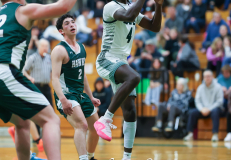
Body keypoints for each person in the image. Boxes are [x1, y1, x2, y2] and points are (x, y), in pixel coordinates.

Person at [0, 0, 77, 160]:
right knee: (51, 120)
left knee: (22, 122)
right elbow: (63, 7)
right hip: (4, 72)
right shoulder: (21, 10)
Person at [94, 0, 163, 159]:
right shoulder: (111, 6)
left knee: (130, 110)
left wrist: (158, 5)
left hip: (121, 62)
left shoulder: (131, 7)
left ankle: (127, 157)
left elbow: (155, 27)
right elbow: (128, 15)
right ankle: (105, 119)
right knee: (134, 77)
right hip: (107, 59)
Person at [51, 14, 101, 160]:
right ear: (61, 31)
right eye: (67, 23)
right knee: (82, 125)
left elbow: (83, 75)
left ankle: (90, 157)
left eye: (73, 22)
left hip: (80, 94)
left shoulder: (82, 47)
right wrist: (63, 99)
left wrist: (91, 97)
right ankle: (83, 158)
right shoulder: (59, 50)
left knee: (96, 128)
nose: (72, 25)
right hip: (66, 95)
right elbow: (54, 78)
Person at [8, 39, 53, 153]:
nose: (45, 48)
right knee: (33, 113)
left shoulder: (49, 58)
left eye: (46, 46)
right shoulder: (32, 58)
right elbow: (24, 71)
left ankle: (39, 138)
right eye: (43, 46)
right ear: (39, 47)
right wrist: (29, 79)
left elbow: (52, 72)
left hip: (46, 86)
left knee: (49, 112)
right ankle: (37, 139)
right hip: (34, 86)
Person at [184, 70, 224, 142]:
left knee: (215, 112)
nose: (207, 78)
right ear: (203, 78)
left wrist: (209, 109)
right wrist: (202, 109)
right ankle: (190, 133)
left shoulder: (218, 87)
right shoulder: (200, 87)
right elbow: (197, 101)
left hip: (213, 109)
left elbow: (220, 101)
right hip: (203, 110)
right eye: (205, 76)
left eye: (209, 76)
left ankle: (215, 134)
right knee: (192, 112)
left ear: (212, 77)